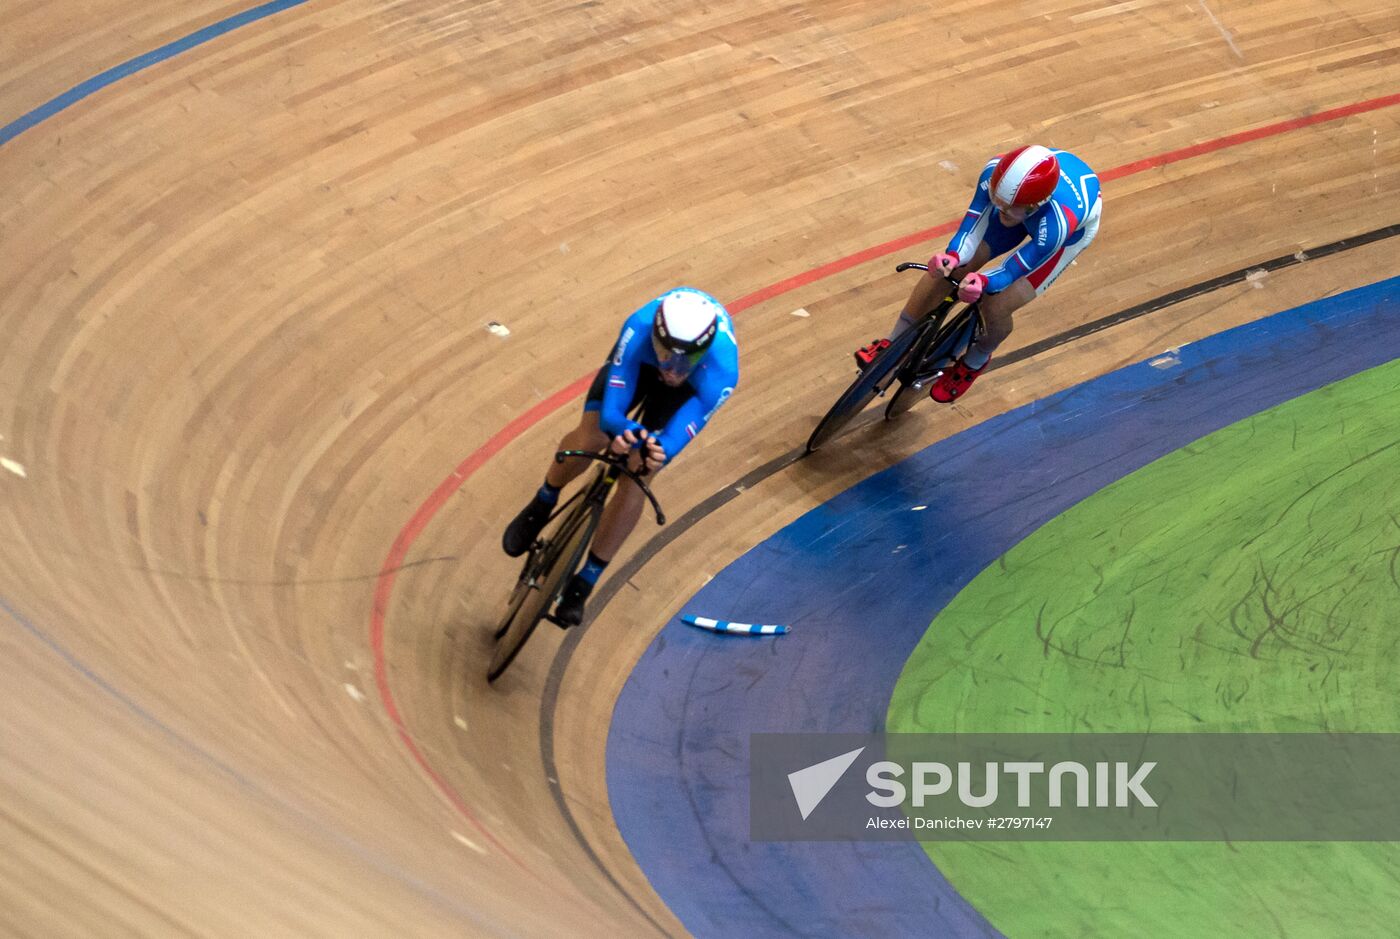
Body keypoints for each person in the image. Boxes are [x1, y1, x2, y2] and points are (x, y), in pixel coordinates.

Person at [501, 288, 739, 626]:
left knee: (640, 473)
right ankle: (543, 500)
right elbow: (612, 413)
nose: (671, 369)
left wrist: (658, 450)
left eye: (683, 361)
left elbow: (673, 442)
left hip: (689, 393)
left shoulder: (722, 372)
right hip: (638, 366)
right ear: (655, 337)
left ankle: (587, 580)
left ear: (702, 354)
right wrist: (623, 430)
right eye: (665, 354)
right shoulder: (639, 327)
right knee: (594, 435)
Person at [854, 145, 1102, 402]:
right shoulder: (994, 176)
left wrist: (983, 281)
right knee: (952, 270)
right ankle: (893, 344)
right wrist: (952, 257)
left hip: (1068, 237)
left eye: (1009, 207)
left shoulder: (1058, 225)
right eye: (997, 200)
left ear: (1034, 206)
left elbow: (1012, 270)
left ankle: (975, 360)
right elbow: (971, 227)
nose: (1000, 209)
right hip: (1030, 206)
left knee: (997, 306)